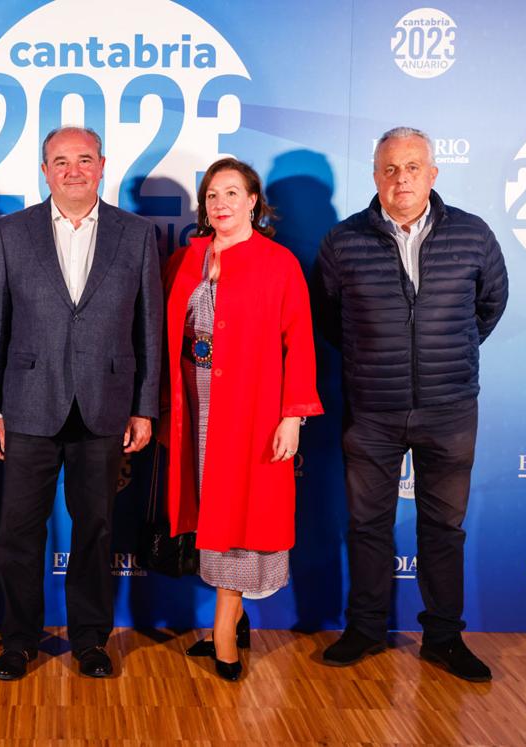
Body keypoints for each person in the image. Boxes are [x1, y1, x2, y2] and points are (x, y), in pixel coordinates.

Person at [312, 127, 508, 682]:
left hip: (449, 410)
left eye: (413, 167)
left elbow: (489, 306)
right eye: (390, 168)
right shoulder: (343, 241)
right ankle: (367, 630)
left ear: (433, 173)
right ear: (375, 175)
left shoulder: (472, 235)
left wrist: (443, 357)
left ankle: (443, 638)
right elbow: (330, 319)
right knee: (368, 523)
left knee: (443, 527)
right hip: (372, 410)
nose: (402, 179)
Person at [0, 126, 162, 680]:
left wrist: (144, 406)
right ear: (44, 170)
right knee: (17, 530)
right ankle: (18, 640)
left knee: (96, 529)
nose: (74, 170)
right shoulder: (12, 233)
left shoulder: (137, 234)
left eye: (85, 159)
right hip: (28, 404)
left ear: (103, 165)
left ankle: (89, 639)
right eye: (61, 161)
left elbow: (148, 328)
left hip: (106, 404)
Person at [160, 158, 323, 681]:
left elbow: (299, 343)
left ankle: (224, 631)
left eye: (232, 193)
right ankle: (234, 618)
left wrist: (293, 416)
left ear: (254, 200)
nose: (221, 204)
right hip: (195, 405)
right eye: (211, 195)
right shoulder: (186, 260)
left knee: (240, 517)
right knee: (212, 511)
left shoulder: (279, 263)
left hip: (253, 409)